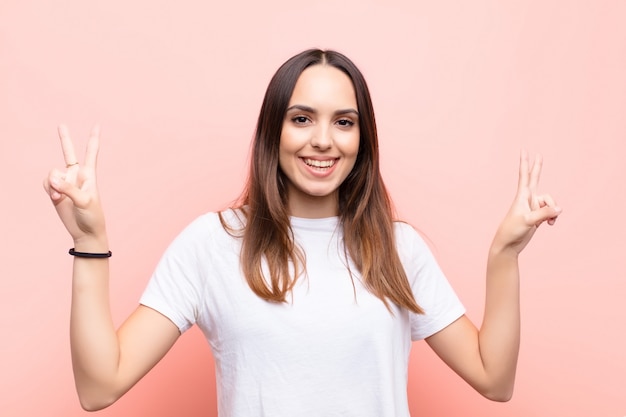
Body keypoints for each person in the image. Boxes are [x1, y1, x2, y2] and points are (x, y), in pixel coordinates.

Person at [43, 49, 561, 416]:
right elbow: (99, 386)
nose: (322, 140)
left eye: (343, 122)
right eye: (301, 118)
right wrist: (90, 244)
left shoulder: (399, 249)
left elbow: (494, 379)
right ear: (274, 129)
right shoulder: (212, 243)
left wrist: (504, 255)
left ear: (363, 138)